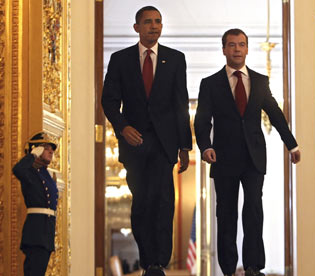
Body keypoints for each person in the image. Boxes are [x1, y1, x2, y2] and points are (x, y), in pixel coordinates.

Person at [194, 28, 301, 276]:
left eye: (241, 44)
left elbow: (275, 115)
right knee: (227, 214)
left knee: (253, 210)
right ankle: (229, 269)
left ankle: (253, 267)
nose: (237, 49)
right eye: (232, 45)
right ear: (224, 50)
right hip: (223, 158)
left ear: (247, 49)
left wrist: (291, 144)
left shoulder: (261, 81)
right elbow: (202, 120)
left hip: (253, 158)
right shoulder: (210, 84)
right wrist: (205, 146)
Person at [101, 6, 192, 276]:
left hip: (165, 143)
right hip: (136, 142)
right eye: (148, 22)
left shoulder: (176, 59)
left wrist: (185, 146)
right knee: (142, 201)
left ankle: (157, 263)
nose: (154, 26)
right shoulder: (120, 59)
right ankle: (147, 259)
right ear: (136, 28)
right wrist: (122, 127)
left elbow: (180, 104)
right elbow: (108, 101)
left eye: (158, 22)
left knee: (163, 200)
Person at [12, 132, 59, 276]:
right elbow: (17, 169)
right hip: (36, 233)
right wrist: (32, 155)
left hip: (46, 232)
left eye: (51, 149)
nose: (51, 151)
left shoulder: (48, 175)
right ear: (36, 149)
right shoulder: (29, 173)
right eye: (46, 148)